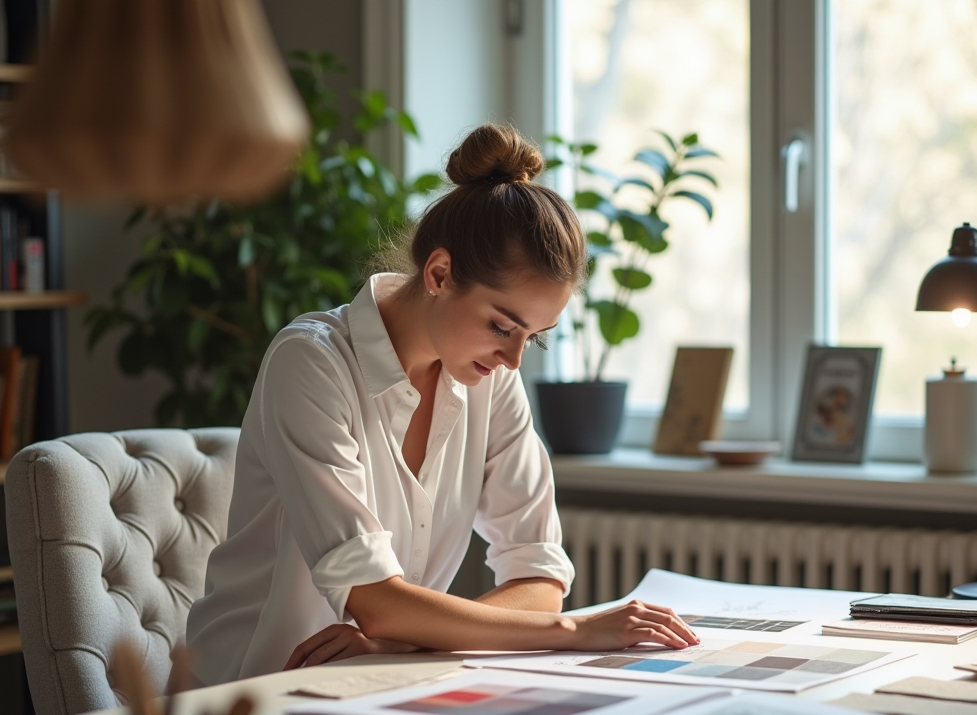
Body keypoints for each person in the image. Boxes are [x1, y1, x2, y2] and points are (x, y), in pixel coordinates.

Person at [185, 124, 698, 685]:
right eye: (502, 326)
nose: (514, 359)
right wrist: (578, 633)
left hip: (379, 683)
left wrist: (403, 644)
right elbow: (377, 601)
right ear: (438, 273)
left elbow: (539, 576)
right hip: (249, 694)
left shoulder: (490, 378)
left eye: (536, 335)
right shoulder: (311, 363)